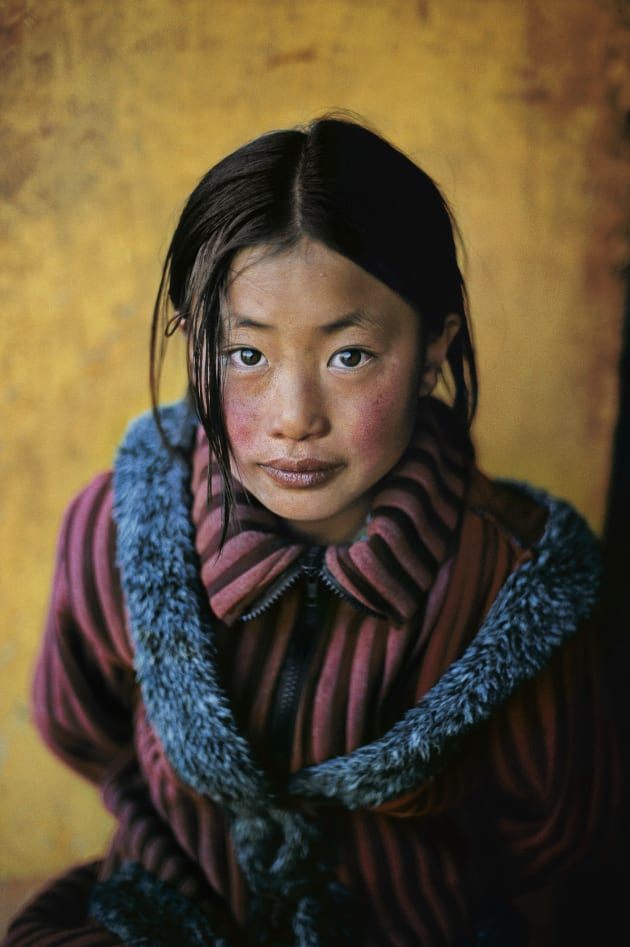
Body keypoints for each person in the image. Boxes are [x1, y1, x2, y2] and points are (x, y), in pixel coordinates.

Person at [4, 116, 622, 947]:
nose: (294, 420)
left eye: (351, 355)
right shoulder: (119, 528)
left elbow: (550, 831)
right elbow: (83, 727)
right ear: (194, 345)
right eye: (246, 355)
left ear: (435, 348)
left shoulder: (511, 583)